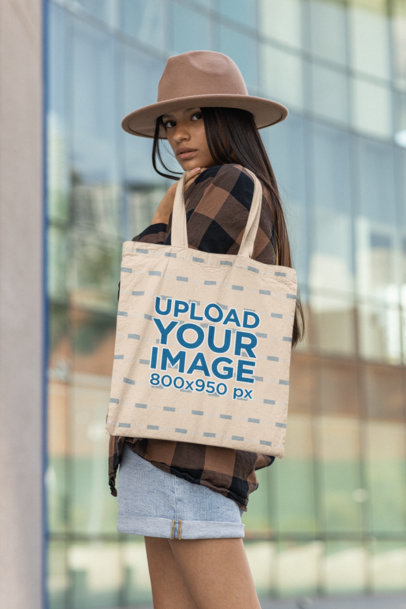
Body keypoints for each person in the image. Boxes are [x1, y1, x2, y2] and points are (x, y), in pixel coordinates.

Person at [108, 51, 304, 609]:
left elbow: (144, 292)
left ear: (226, 120)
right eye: (170, 124)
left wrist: (167, 209)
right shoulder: (217, 186)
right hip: (162, 446)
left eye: (194, 117)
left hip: (183, 448)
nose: (177, 135)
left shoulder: (231, 183)